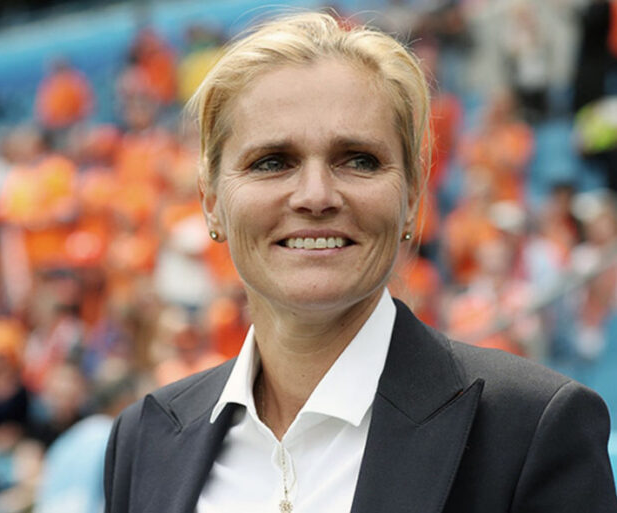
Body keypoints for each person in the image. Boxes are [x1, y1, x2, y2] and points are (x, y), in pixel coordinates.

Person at [104, 12, 617, 513]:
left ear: (413, 196)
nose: (315, 195)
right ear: (211, 200)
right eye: (271, 162)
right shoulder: (143, 440)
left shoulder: (529, 429)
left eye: (358, 160)